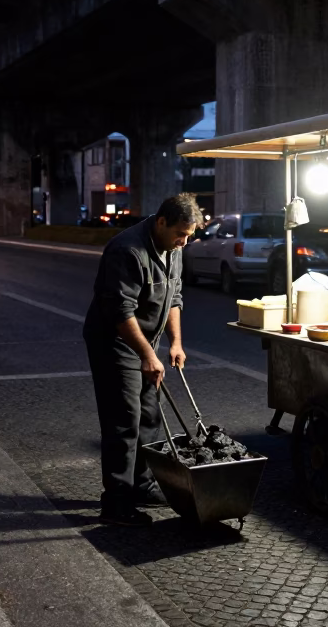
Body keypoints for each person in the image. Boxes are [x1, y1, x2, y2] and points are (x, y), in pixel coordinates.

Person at [83, 193, 198, 527]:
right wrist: (147, 355)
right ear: (161, 222)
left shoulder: (173, 248)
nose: (184, 242)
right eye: (181, 234)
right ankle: (116, 503)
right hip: (115, 343)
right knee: (124, 420)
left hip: (146, 342)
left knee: (150, 416)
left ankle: (143, 486)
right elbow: (120, 310)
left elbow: (174, 296)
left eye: (189, 235)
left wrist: (175, 342)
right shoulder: (127, 250)